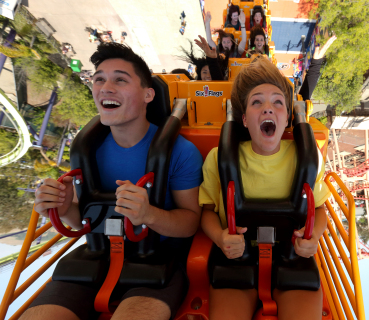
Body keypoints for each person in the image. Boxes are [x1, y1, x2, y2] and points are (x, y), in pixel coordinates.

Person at [24, 43, 204, 320]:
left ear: (148, 94)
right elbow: (83, 221)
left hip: (159, 258)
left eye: (120, 79)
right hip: (98, 253)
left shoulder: (179, 151)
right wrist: (61, 208)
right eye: (99, 80)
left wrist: (149, 214)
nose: (105, 87)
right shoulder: (87, 149)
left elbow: (191, 222)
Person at [199, 56, 330, 319]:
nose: (268, 108)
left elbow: (320, 208)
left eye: (278, 102)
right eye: (257, 102)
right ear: (245, 120)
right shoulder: (220, 157)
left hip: (292, 256)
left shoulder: (309, 156)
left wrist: (313, 237)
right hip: (236, 256)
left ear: (287, 118)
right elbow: (208, 213)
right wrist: (220, 238)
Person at [298, 32, 337, 101]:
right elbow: (305, 95)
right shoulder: (298, 107)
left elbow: (304, 96)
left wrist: (316, 63)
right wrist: (316, 63)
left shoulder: (294, 108)